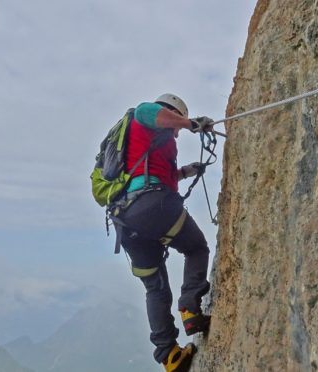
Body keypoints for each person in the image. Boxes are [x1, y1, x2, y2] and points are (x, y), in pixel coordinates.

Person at [114, 93, 214, 371]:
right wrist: (189, 122)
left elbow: (156, 174)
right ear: (171, 111)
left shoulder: (144, 144)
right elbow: (155, 116)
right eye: (176, 126)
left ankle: (169, 355)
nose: (178, 134)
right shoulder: (146, 112)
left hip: (128, 220)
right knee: (195, 247)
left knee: (155, 288)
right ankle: (191, 309)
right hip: (152, 204)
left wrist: (185, 172)